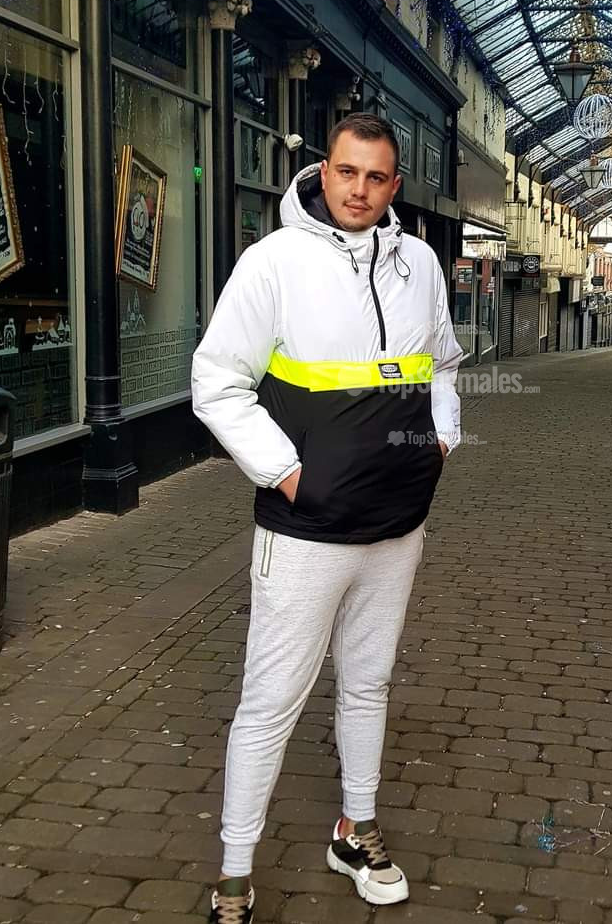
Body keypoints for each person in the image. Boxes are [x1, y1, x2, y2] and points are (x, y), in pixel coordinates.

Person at [192, 113, 462, 924]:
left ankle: (356, 829)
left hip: (398, 523)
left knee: (369, 680)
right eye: (348, 171)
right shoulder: (273, 261)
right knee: (271, 699)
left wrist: (439, 442)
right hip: (305, 527)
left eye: (377, 177)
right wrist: (287, 473)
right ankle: (234, 876)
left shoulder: (419, 263)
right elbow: (217, 381)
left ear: (394, 185)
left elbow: (443, 363)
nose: (360, 190)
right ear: (324, 170)